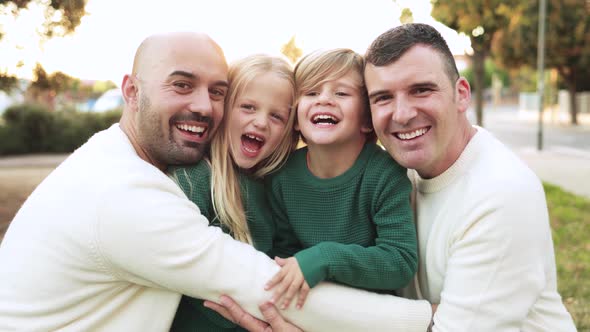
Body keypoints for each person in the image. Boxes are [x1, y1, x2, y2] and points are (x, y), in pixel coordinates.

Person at [0, 32, 432, 332]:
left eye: (216, 91)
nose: (203, 106)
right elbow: (264, 289)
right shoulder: (127, 196)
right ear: (131, 91)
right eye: (181, 85)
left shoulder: (121, 159)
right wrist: (424, 319)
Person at [363, 23, 577, 331]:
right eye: (383, 97)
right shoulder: (388, 177)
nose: (402, 114)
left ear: (461, 94)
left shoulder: (500, 193)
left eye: (421, 90)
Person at [265, 48, 418, 310]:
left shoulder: (384, 174)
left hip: (371, 314)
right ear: (296, 120)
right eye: (311, 92)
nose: (324, 99)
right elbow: (284, 256)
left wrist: (325, 257)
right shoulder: (282, 177)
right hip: (312, 308)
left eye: (341, 93)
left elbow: (400, 261)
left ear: (367, 120)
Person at [168, 54, 299, 331]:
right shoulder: (193, 180)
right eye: (248, 107)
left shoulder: (276, 187)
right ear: (224, 110)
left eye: (276, 116)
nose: (261, 122)